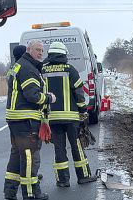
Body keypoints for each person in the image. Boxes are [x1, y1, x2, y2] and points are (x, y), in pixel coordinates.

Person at [4, 40, 55, 200]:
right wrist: (49, 98)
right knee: (30, 156)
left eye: (42, 50)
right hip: (25, 119)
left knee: (16, 154)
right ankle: (31, 192)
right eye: (37, 50)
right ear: (29, 50)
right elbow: (32, 95)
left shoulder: (18, 65)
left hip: (15, 118)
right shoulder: (28, 68)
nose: (40, 53)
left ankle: (10, 190)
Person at [41, 42, 95, 187]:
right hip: (71, 118)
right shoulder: (70, 70)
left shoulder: (43, 70)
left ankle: (62, 180)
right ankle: (83, 176)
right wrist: (83, 110)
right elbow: (78, 93)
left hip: (52, 118)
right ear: (64, 54)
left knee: (59, 149)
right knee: (77, 146)